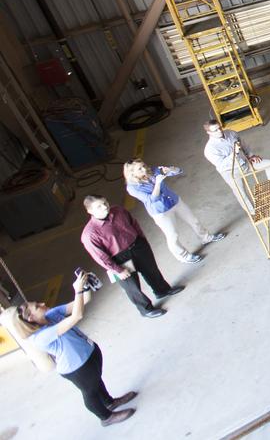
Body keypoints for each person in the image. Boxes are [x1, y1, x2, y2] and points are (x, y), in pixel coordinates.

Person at [13, 270, 137, 426]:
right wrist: (77, 289)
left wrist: (84, 286)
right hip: (76, 368)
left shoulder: (50, 315)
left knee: (96, 381)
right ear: (30, 318)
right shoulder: (40, 337)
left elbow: (83, 301)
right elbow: (77, 316)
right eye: (37, 306)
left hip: (87, 353)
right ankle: (106, 417)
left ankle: (110, 402)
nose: (43, 304)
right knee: (90, 391)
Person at [80, 196, 181, 318]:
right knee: (132, 287)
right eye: (99, 206)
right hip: (119, 259)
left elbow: (133, 224)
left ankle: (162, 290)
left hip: (137, 246)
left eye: (105, 202)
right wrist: (117, 270)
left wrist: (142, 241)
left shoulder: (118, 210)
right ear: (89, 211)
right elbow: (100, 256)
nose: (105, 207)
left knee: (151, 270)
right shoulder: (90, 234)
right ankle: (146, 309)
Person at [122, 160, 224, 264]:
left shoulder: (152, 170)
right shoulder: (132, 188)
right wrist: (157, 183)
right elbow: (151, 199)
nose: (144, 169)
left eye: (143, 165)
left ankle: (206, 237)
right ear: (132, 173)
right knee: (172, 235)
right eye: (140, 169)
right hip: (161, 212)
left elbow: (178, 171)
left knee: (193, 220)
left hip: (174, 200)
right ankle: (184, 256)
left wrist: (170, 169)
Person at [202, 120, 270, 210]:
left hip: (245, 162)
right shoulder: (210, 149)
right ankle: (253, 212)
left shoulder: (231, 133)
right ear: (208, 133)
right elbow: (222, 164)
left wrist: (251, 155)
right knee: (240, 192)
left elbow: (244, 145)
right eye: (215, 130)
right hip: (231, 171)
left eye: (220, 128)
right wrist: (234, 154)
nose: (220, 131)